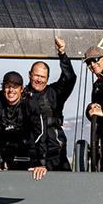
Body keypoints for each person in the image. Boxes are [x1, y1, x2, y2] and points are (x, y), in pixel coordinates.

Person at [0, 71, 47, 183]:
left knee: (32, 176)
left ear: (22, 89)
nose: (11, 90)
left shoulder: (31, 102)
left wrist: (41, 163)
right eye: (7, 86)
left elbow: (40, 133)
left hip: (24, 146)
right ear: (3, 88)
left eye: (15, 87)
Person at [24, 36, 76, 171]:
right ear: (30, 75)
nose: (39, 80)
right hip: (29, 152)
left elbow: (70, 78)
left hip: (54, 151)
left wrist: (62, 54)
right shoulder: (21, 95)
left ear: (47, 78)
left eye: (43, 77)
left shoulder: (54, 92)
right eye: (36, 76)